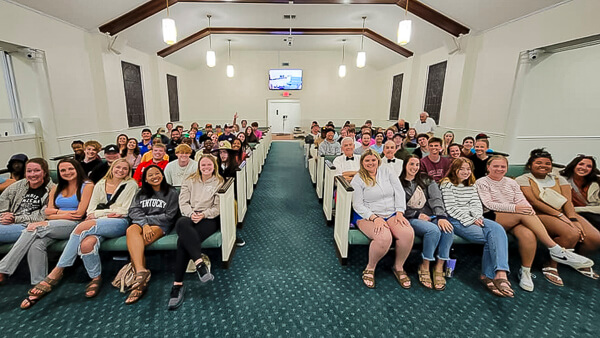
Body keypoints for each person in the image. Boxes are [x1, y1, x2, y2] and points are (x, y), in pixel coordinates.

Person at [21, 159, 138, 309]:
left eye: (125, 168)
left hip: (118, 224)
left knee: (82, 227)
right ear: (112, 168)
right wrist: (104, 213)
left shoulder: (131, 184)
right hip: (97, 222)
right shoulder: (100, 184)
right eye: (118, 167)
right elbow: (90, 210)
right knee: (86, 244)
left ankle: (57, 271)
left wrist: (99, 214)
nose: (120, 170)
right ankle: (95, 278)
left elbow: (123, 211)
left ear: (129, 171)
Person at [477, 156, 593, 291]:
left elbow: (521, 200)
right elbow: (488, 204)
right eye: (495, 166)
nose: (499, 169)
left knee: (528, 234)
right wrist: (517, 209)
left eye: (503, 167)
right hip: (493, 216)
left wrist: (527, 209)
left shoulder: (511, 182)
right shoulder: (482, 182)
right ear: (488, 167)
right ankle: (554, 248)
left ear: (507, 168)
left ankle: (525, 271)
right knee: (523, 213)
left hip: (516, 216)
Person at [0, 159, 93, 285]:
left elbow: (79, 214)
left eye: (70, 169)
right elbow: (48, 213)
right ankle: (39, 282)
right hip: (54, 224)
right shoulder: (57, 188)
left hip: (75, 225)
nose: (67, 172)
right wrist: (62, 214)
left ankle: (3, 268)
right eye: (63, 170)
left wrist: (56, 214)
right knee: (36, 244)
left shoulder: (87, 186)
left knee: (34, 228)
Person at [516, 149, 600, 283]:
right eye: (538, 163)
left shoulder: (559, 179)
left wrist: (573, 219)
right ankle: (550, 264)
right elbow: (534, 202)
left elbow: (567, 201)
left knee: (595, 238)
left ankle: (576, 260)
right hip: (539, 214)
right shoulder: (523, 179)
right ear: (530, 165)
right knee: (571, 233)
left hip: (564, 213)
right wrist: (561, 216)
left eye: (547, 163)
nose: (543, 165)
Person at [440, 157, 513, 297]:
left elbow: (476, 204)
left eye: (468, 169)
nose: (465, 172)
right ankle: (488, 275)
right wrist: (470, 220)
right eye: (461, 169)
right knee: (490, 238)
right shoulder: (446, 184)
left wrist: (477, 217)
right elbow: (450, 208)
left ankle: (501, 273)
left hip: (476, 218)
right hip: (457, 220)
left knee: (498, 229)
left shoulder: (472, 184)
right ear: (454, 170)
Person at [350, 149, 413, 289]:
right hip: (367, 215)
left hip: (391, 212)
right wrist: (374, 218)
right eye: (367, 160)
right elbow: (358, 205)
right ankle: (370, 267)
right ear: (362, 163)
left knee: (407, 234)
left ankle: (398, 266)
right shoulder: (358, 178)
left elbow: (399, 191)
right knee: (384, 238)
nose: (371, 163)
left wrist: (400, 212)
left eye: (373, 160)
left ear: (378, 160)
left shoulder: (387, 171)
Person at [168, 154, 223, 310]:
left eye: (209, 165)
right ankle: (199, 264)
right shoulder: (190, 180)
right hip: (189, 215)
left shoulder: (219, 182)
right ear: (199, 166)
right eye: (203, 165)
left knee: (182, 242)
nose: (206, 168)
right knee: (181, 222)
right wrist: (191, 213)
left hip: (208, 219)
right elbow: (183, 202)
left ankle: (177, 285)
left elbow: (218, 207)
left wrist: (204, 214)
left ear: (214, 166)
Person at [125, 165, 179, 304]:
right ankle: (141, 271)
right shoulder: (140, 192)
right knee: (131, 230)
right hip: (142, 224)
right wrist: (145, 225)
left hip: (160, 226)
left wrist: (147, 222)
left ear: (162, 174)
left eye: (157, 173)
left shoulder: (171, 192)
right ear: (146, 179)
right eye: (150, 175)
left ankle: (139, 285)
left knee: (137, 244)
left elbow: (169, 216)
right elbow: (133, 211)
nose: (155, 177)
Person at [400, 155, 453, 290]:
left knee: (448, 229)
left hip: (432, 215)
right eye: (411, 164)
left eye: (417, 165)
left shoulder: (426, 180)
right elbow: (398, 206)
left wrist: (441, 216)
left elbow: (436, 198)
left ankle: (439, 266)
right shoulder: (399, 182)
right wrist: (417, 214)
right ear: (405, 165)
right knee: (432, 230)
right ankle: (425, 264)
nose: (414, 168)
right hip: (412, 218)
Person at [0, 158, 55, 244]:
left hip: (29, 225)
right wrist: (3, 217)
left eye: (37, 170)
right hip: (7, 223)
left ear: (44, 172)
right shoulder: (17, 186)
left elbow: (43, 216)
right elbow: (2, 201)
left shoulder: (52, 190)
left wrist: (15, 219)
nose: (32, 174)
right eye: (29, 171)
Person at [560, 155, 600, 228]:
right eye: (581, 164)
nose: (584, 168)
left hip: (592, 212)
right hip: (574, 215)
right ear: (574, 165)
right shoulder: (562, 181)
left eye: (589, 166)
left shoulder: (596, 183)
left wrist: (576, 209)